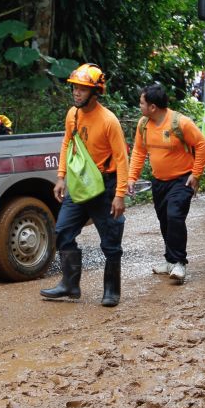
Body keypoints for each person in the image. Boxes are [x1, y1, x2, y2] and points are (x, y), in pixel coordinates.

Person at [41, 63, 129, 306]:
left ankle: (111, 290)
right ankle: (70, 284)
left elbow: (122, 158)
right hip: (80, 184)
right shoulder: (73, 114)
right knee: (63, 231)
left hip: (105, 186)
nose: (76, 93)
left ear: (96, 92)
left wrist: (119, 195)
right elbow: (67, 143)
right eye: (74, 88)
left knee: (111, 240)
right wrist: (61, 177)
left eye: (82, 89)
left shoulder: (109, 121)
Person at [127, 83, 205, 284]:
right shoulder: (143, 124)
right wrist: (131, 177)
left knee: (174, 216)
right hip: (159, 181)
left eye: (142, 103)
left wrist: (196, 174)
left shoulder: (180, 123)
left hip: (182, 180)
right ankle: (170, 260)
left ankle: (179, 262)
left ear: (152, 107)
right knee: (165, 220)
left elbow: (202, 144)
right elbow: (139, 151)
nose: (139, 106)